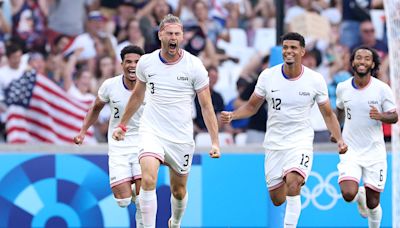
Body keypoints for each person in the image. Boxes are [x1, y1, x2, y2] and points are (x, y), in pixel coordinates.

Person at [221, 32, 348, 227]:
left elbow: (328, 114)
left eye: (293, 48)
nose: (289, 51)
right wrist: (233, 115)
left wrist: (338, 138)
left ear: (302, 51)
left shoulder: (315, 79)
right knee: (278, 199)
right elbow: (252, 106)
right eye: (286, 47)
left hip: (300, 141)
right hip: (274, 143)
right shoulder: (268, 76)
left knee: (294, 182)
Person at [112, 14, 220, 228]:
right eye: (169, 33)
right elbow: (137, 96)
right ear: (160, 35)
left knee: (178, 191)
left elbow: (206, 106)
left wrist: (215, 141)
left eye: (177, 34)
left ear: (182, 37)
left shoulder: (194, 65)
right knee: (149, 179)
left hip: (180, 136)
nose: (173, 37)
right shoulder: (147, 62)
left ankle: (176, 222)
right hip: (151, 130)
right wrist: (123, 124)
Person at [73, 45, 145, 227]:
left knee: (143, 199)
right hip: (118, 145)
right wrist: (83, 132)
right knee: (123, 200)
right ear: (121, 64)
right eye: (128, 62)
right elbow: (95, 108)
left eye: (137, 62)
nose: (132, 65)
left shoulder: (151, 86)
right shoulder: (110, 85)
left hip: (143, 143)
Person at [335, 46, 398, 228]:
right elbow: (339, 108)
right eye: (359, 58)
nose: (362, 61)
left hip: (374, 152)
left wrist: (381, 116)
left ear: (372, 64)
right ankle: (358, 196)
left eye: (367, 59)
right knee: (348, 194)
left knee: (373, 202)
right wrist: (337, 131)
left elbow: (394, 116)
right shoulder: (343, 87)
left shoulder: (381, 89)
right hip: (350, 150)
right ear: (353, 62)